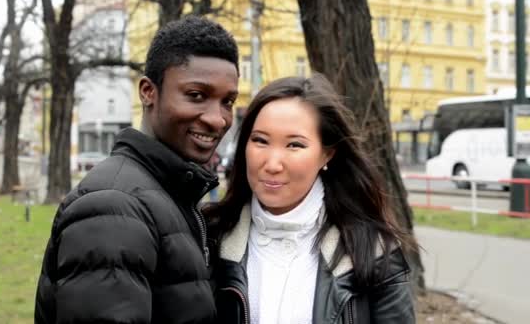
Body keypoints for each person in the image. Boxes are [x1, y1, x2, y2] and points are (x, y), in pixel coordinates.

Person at [34, 16, 239, 324]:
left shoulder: (172, 193)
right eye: (196, 95)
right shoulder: (114, 206)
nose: (218, 119)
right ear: (148, 92)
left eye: (228, 101)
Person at [207, 74, 415, 324]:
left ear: (327, 154)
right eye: (260, 141)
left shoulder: (372, 249)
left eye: (294, 145)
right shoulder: (210, 237)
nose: (272, 164)